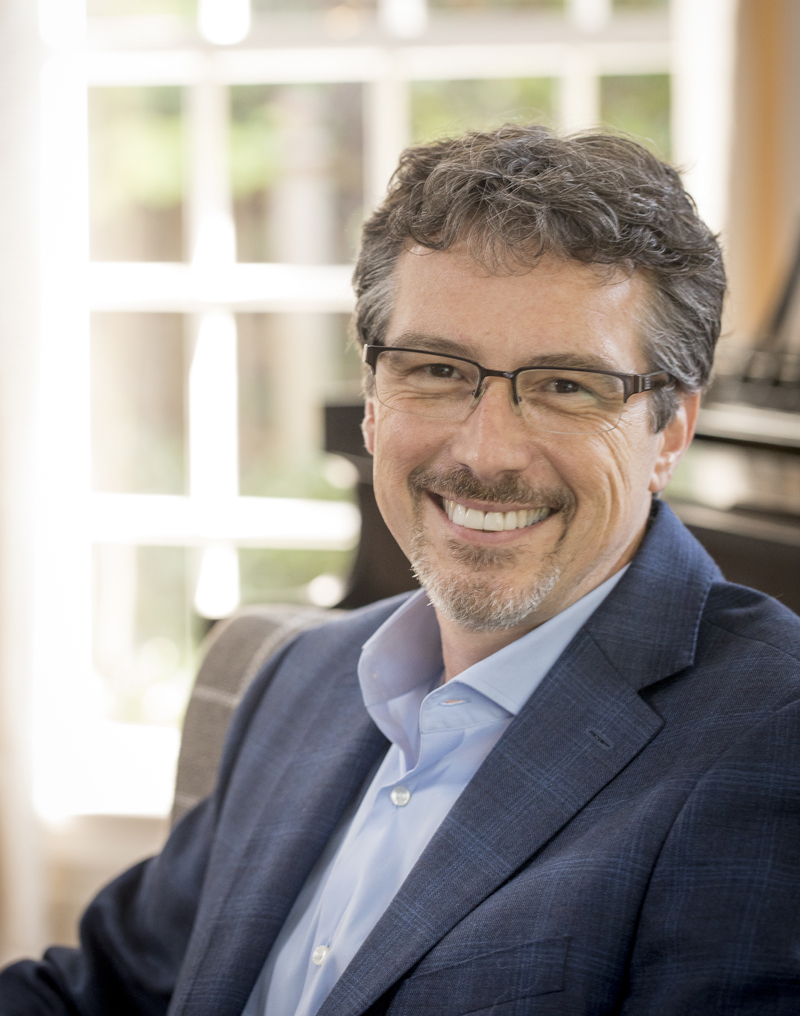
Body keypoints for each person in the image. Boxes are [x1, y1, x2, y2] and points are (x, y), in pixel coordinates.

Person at [3, 125, 800, 1015]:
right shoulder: (299, 681)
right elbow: (99, 993)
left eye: (568, 385)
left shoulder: (775, 739)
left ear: (672, 430)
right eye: (436, 369)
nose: (488, 452)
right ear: (375, 401)